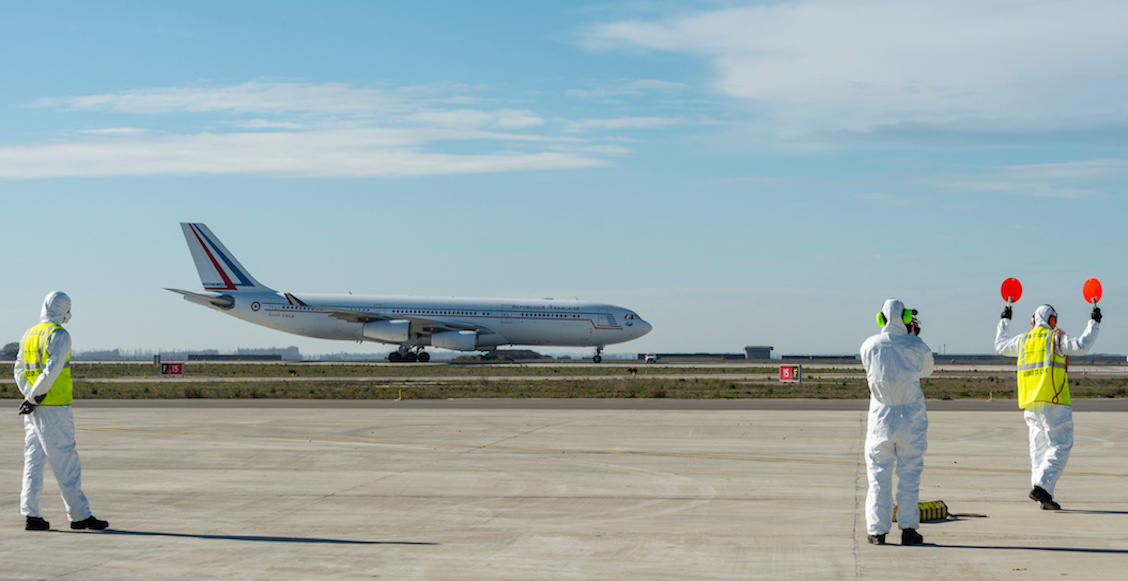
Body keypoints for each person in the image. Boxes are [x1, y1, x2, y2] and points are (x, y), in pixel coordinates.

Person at [14, 291, 108, 531]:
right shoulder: (59, 335)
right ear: (63, 310)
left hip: (33, 409)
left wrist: (29, 396)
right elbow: (52, 371)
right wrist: (36, 397)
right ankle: (79, 516)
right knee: (66, 462)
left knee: (33, 462)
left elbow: (18, 370)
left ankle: (32, 514)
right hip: (54, 409)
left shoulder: (29, 334)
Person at [995, 303, 1100, 510]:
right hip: (1054, 400)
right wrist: (1094, 322)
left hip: (1030, 403)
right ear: (1053, 321)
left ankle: (1044, 494)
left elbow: (1000, 345)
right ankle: (1043, 487)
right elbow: (1081, 345)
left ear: (1033, 321)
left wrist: (1004, 320)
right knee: (1060, 445)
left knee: (1038, 450)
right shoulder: (1056, 337)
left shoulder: (1024, 340)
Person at [860, 299, 934, 546]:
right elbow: (927, 370)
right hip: (910, 418)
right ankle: (909, 529)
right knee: (910, 474)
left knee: (878, 475)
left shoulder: (869, 345)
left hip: (880, 417)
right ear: (905, 319)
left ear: (881, 319)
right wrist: (912, 337)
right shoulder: (917, 345)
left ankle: (877, 531)